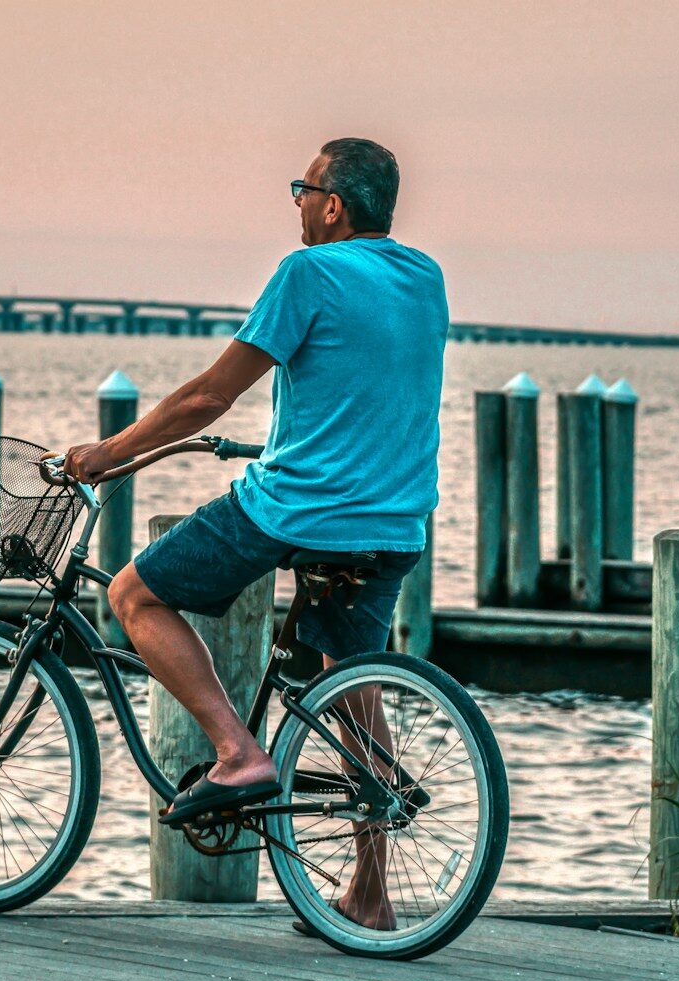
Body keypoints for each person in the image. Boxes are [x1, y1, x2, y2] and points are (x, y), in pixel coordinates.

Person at [61, 137, 447, 930]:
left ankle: (239, 753)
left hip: (299, 509)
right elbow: (359, 386)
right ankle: (368, 895)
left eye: (304, 189)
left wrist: (108, 452)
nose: (298, 202)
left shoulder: (307, 272)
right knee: (352, 686)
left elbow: (208, 397)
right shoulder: (425, 278)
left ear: (333, 205)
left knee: (134, 593)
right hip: (397, 519)